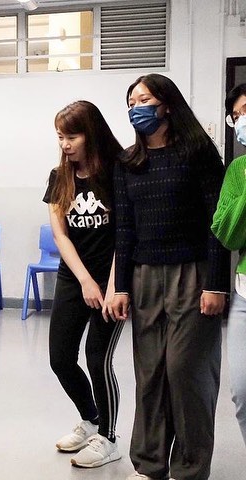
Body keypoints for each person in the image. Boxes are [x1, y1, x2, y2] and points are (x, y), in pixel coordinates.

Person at [108, 73, 230, 480]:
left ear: (167, 105)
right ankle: (149, 464)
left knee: (185, 371)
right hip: (144, 276)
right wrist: (120, 286)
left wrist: (216, 283)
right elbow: (124, 228)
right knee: (149, 374)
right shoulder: (127, 162)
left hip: (193, 274)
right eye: (131, 102)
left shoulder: (198, 152)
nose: (136, 109)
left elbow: (216, 223)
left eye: (144, 100)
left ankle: (190, 469)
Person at [43, 101, 124, 468]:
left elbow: (125, 235)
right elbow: (60, 234)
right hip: (75, 277)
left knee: (97, 358)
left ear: (91, 134)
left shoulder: (117, 172)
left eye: (72, 136)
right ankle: (90, 419)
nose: (65, 144)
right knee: (60, 358)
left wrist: (112, 286)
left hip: (113, 278)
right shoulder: (59, 176)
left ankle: (108, 437)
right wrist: (85, 281)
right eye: (60, 137)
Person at [211, 82, 246, 449]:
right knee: (243, 393)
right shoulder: (238, 169)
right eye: (237, 116)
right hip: (244, 296)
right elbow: (227, 233)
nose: (241, 120)